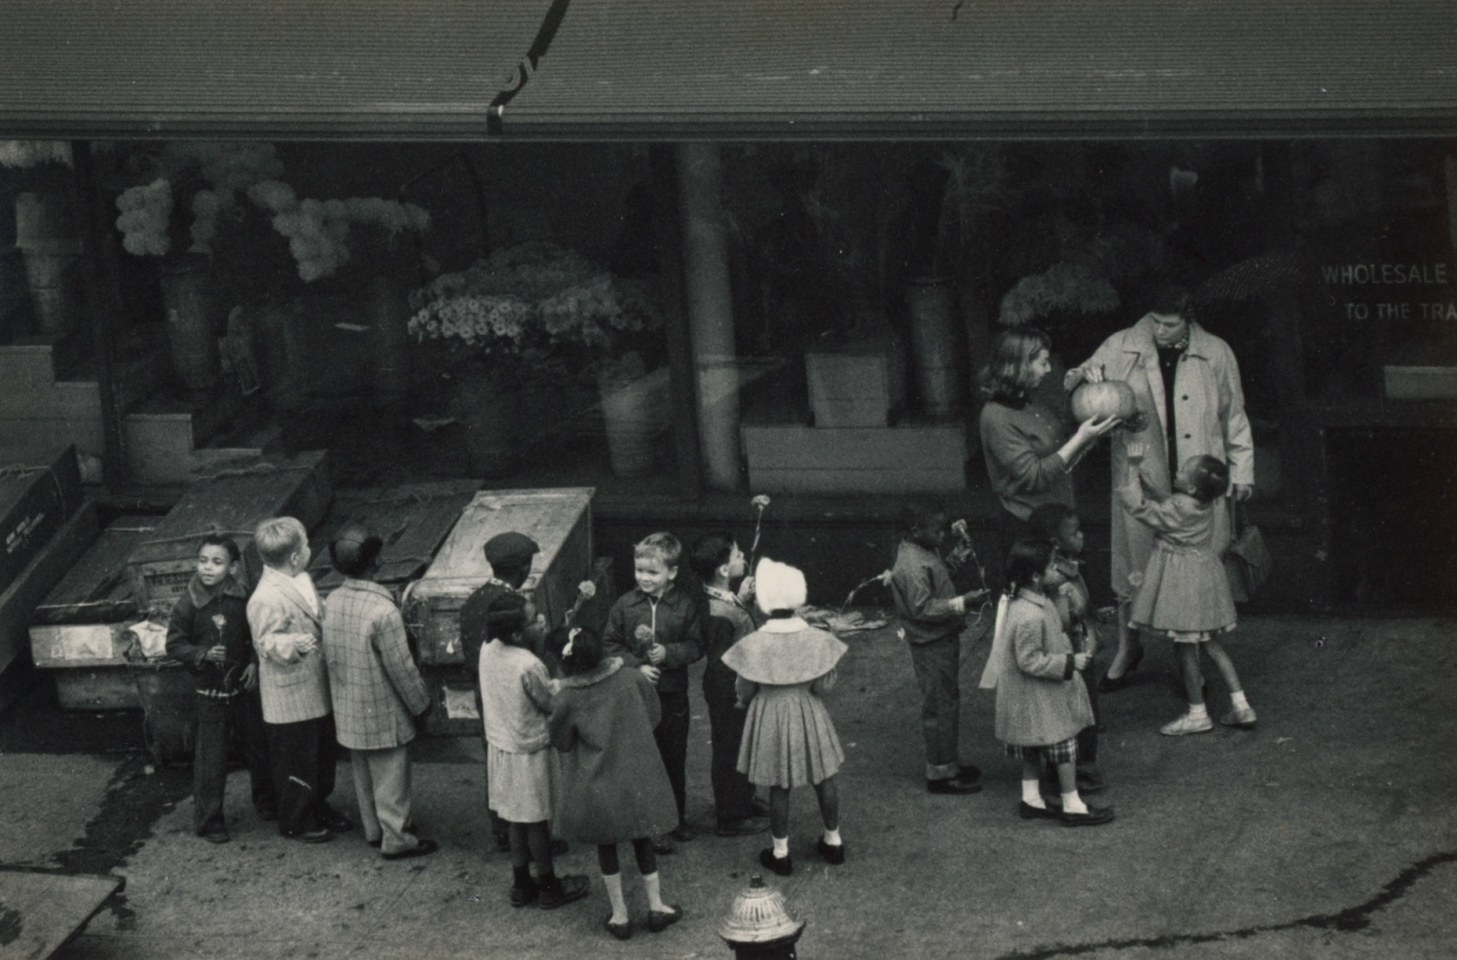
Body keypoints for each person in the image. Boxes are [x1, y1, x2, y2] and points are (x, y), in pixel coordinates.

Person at [1064, 283, 1254, 691]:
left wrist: (1242, 472)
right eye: (1155, 322)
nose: (1160, 331)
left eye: (1169, 324)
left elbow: (1234, 414)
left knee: (1190, 572)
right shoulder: (1121, 344)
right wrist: (1087, 378)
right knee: (1133, 567)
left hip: (1196, 480)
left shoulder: (1216, 352)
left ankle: (1190, 660)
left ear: (1188, 319)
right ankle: (1128, 647)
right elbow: (1076, 383)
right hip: (1141, 468)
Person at [549, 625, 683, 940]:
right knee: (643, 837)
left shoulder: (567, 697)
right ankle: (656, 906)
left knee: (606, 844)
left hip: (596, 780)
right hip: (637, 773)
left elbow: (562, 741)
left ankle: (619, 915)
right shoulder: (633, 679)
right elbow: (653, 716)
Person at [1119, 446, 1257, 736]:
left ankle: (1197, 714)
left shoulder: (1179, 507)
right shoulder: (1205, 503)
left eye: (1183, 471)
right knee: (1212, 645)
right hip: (1205, 576)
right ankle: (1241, 704)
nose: (1178, 472)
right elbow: (1172, 503)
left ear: (1192, 488)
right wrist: (1150, 484)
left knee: (1185, 651)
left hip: (1182, 581)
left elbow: (1139, 508)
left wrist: (1132, 468)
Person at [321, 524, 437, 860]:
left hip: (349, 707)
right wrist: (421, 705)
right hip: (383, 710)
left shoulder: (333, 600)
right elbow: (401, 669)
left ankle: (374, 830)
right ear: (376, 561)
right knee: (391, 778)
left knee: (363, 774)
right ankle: (397, 838)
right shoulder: (383, 610)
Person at [725, 558, 847, 877]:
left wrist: (744, 700)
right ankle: (833, 841)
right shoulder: (815, 638)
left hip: (770, 712)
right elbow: (822, 686)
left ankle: (781, 853)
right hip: (808, 710)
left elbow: (745, 688)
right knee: (824, 777)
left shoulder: (755, 643)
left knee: (779, 784)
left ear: (764, 602)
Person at [980, 539, 1113, 827]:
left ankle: (1031, 799)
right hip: (1040, 696)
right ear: (1035, 576)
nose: (1058, 571)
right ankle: (1072, 804)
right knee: (1064, 747)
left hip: (1028, 697)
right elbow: (1029, 661)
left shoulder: (1027, 602)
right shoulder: (1030, 614)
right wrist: (1070, 662)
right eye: (1052, 567)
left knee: (1032, 747)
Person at [479, 592, 589, 909]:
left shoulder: (487, 648)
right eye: (533, 619)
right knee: (537, 821)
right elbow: (549, 703)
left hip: (501, 746)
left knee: (516, 819)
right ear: (517, 634)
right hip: (528, 752)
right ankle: (549, 885)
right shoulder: (529, 665)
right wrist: (565, 683)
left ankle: (521, 882)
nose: (541, 621)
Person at [165, 534, 275, 843]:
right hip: (210, 693)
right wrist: (201, 654)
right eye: (203, 561)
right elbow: (174, 643)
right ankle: (209, 820)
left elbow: (256, 635)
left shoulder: (242, 598)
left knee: (258, 748)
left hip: (243, 689)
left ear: (233, 567)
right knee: (211, 759)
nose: (207, 568)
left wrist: (253, 663)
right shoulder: (189, 603)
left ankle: (267, 802)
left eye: (217, 562)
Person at [247, 516, 351, 844]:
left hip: (313, 686)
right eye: (306, 545)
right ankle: (295, 818)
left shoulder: (301, 579)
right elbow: (264, 642)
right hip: (289, 697)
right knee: (296, 760)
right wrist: (292, 644)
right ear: (295, 556)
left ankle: (318, 804)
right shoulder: (265, 597)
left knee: (319, 754)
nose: (309, 548)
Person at [601, 532, 703, 852]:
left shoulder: (684, 605)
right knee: (645, 758)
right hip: (635, 696)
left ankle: (677, 818)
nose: (644, 578)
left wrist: (670, 653)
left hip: (672, 695)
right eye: (639, 570)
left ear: (672, 572)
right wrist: (637, 666)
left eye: (652, 572)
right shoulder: (625, 605)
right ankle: (653, 824)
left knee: (674, 756)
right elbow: (609, 645)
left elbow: (696, 645)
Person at [979, 327, 1121, 554]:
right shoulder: (996, 416)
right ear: (1020, 365)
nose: (1049, 369)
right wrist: (1080, 438)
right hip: (1028, 528)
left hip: (1059, 522)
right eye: (1043, 363)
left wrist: (1091, 436)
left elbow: (1062, 458)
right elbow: (1035, 477)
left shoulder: (1031, 401)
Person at [888, 502, 988, 796]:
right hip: (931, 644)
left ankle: (949, 764)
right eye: (937, 530)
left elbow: (938, 579)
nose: (943, 535)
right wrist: (962, 602)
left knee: (946, 702)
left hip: (940, 640)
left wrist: (957, 557)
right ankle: (940, 773)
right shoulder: (911, 564)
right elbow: (922, 608)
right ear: (915, 530)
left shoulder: (924, 551)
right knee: (939, 707)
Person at [458, 531, 540, 853]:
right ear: (523, 567)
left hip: (486, 695)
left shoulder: (472, 601)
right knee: (523, 767)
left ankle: (502, 829)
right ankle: (528, 833)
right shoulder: (515, 605)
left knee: (496, 760)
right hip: (515, 696)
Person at [688, 532, 767, 837]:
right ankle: (732, 816)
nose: (743, 557)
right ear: (723, 570)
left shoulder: (720, 599)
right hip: (731, 689)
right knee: (731, 750)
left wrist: (742, 600)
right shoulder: (719, 614)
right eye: (737, 555)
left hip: (736, 685)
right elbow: (722, 662)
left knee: (741, 744)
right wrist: (738, 695)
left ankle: (743, 799)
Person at [1026, 503, 1106, 796]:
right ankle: (1077, 768)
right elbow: (1064, 616)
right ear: (1056, 542)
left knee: (1084, 709)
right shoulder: (1054, 578)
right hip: (1070, 653)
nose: (1082, 536)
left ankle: (1077, 765)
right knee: (1077, 711)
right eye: (1075, 533)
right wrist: (1082, 612)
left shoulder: (1067, 567)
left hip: (1080, 648)